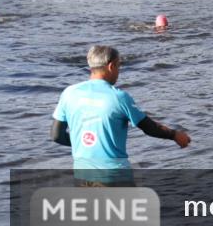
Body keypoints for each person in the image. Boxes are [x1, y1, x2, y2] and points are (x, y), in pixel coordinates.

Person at [51, 45, 192, 184]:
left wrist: (82, 143)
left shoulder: (69, 93)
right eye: (119, 66)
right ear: (111, 66)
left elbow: (56, 135)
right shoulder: (119, 97)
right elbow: (149, 128)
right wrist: (175, 135)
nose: (119, 72)